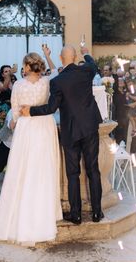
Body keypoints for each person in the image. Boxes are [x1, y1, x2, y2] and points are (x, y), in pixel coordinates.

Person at [22, 45, 104, 225]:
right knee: (93, 170)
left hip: (71, 131)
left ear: (61, 58)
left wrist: (30, 111)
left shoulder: (57, 81)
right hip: (90, 127)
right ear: (75, 58)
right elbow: (93, 64)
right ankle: (97, 212)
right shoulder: (86, 71)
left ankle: (76, 215)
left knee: (72, 173)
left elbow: (51, 108)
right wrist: (86, 53)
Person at [0, 53, 62, 245]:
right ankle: (42, 217)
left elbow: (14, 110)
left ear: (27, 67)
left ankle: (17, 218)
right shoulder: (48, 81)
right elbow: (56, 72)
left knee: (22, 169)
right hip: (45, 125)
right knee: (43, 169)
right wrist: (48, 56)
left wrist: (14, 123)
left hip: (26, 125)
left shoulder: (19, 85)